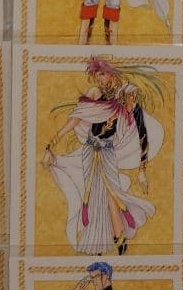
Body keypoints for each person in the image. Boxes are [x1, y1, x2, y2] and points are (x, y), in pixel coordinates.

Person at [41, 56, 164, 255]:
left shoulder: (127, 96)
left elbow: (143, 134)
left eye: (102, 74)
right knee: (94, 195)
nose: (99, 79)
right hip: (90, 151)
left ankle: (117, 238)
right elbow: (76, 118)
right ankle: (103, 241)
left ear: (111, 74)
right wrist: (55, 139)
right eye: (96, 76)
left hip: (107, 152)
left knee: (111, 195)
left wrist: (142, 170)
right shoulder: (95, 93)